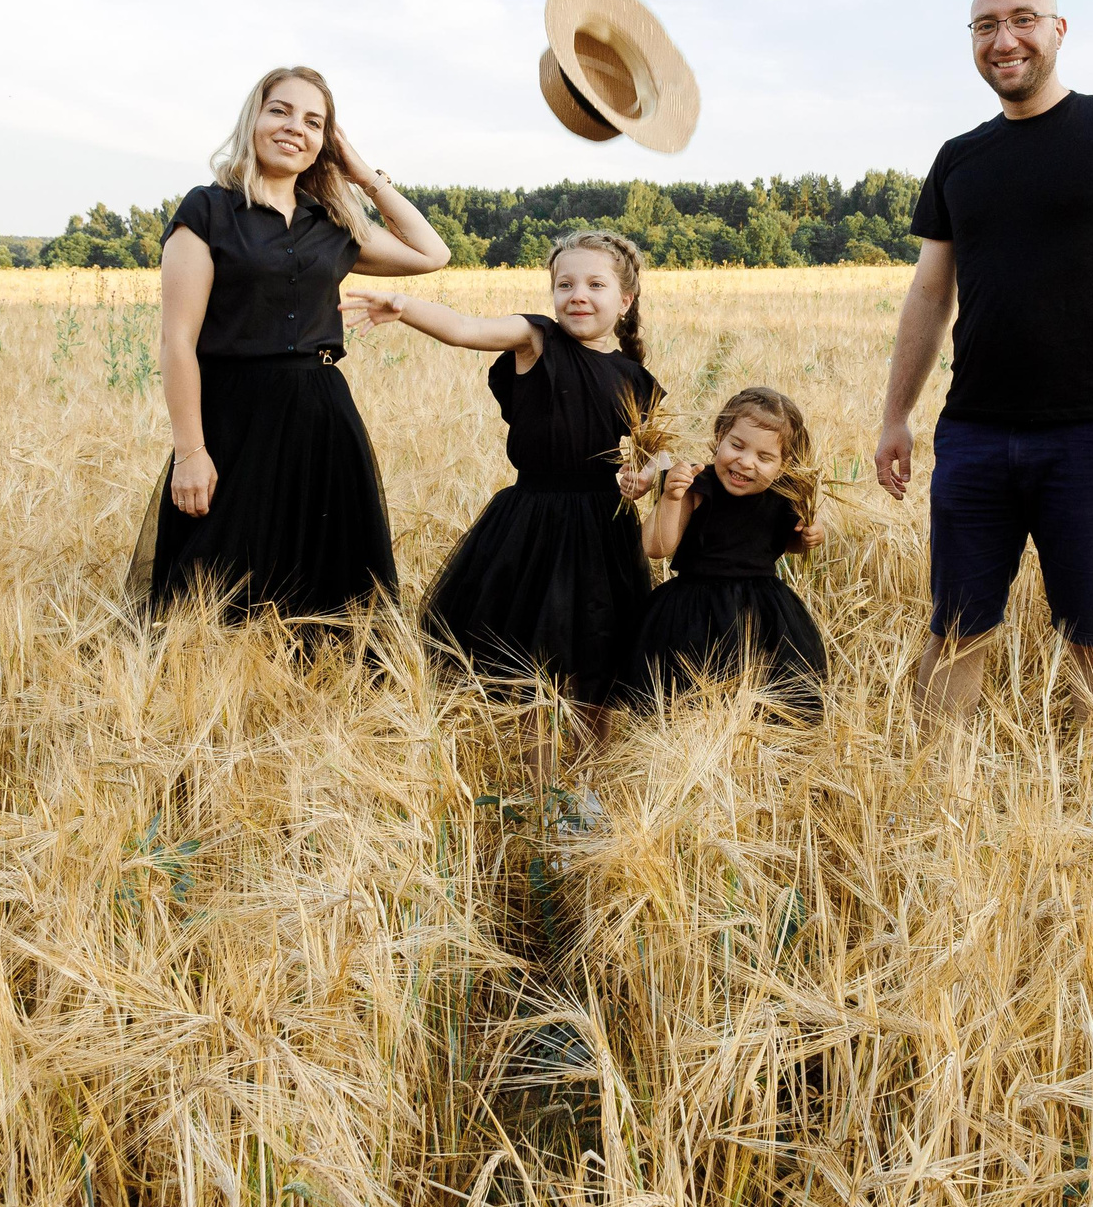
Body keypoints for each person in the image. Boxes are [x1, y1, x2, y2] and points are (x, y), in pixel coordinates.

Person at [872, 0, 1093, 721]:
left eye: (1022, 20)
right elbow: (928, 294)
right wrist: (896, 414)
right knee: (954, 629)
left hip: (1088, 433)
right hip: (974, 434)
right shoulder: (959, 157)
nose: (1004, 39)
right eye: (985, 26)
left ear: (1058, 29)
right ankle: (926, 801)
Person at [138, 65, 451, 621]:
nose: (293, 128)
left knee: (325, 591)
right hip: (234, 415)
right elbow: (177, 340)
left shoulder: (333, 222)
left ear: (325, 142)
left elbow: (432, 253)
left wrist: (362, 175)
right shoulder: (207, 210)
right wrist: (190, 451)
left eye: (314, 122)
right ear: (253, 118)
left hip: (323, 415)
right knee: (212, 588)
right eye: (279, 110)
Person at [341, 230, 660, 774]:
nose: (577, 294)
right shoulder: (536, 338)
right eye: (564, 284)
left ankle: (584, 787)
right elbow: (466, 330)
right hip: (533, 526)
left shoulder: (637, 379)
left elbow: (654, 453)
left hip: (605, 532)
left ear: (625, 300)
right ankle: (540, 795)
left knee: (599, 666)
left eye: (595, 284)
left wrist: (646, 478)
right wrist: (404, 305)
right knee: (537, 668)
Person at [622, 387, 829, 720]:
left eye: (765, 457)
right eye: (736, 445)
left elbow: (787, 543)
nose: (745, 462)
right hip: (691, 615)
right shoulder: (695, 485)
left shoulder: (784, 496)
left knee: (764, 711)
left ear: (784, 463)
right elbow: (657, 548)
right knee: (684, 706)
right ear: (719, 435)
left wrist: (809, 537)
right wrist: (672, 499)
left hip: (761, 616)